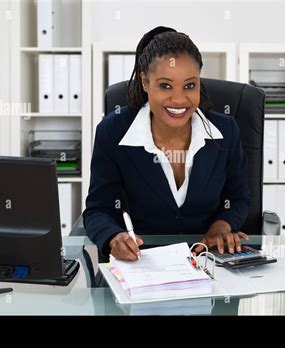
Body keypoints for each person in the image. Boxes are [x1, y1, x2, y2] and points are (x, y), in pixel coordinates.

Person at [83, 26, 250, 262]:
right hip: (143, 267)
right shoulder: (113, 133)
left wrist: (222, 225)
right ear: (144, 82)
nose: (179, 99)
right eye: (165, 86)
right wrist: (113, 237)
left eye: (190, 86)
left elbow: (239, 198)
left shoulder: (226, 131)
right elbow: (98, 210)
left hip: (210, 263)